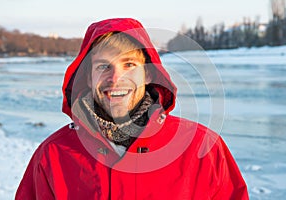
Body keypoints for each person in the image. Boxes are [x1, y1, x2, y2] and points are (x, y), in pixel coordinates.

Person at [16, 18, 249, 199]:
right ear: (88, 77)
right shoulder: (54, 154)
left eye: (129, 65)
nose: (116, 78)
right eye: (103, 66)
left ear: (148, 73)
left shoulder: (202, 148)